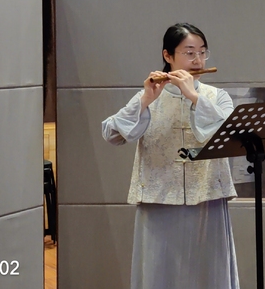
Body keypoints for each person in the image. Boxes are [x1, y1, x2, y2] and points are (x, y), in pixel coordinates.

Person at [102, 23, 240, 289]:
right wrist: (144, 100)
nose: (197, 60)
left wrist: (194, 96)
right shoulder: (149, 95)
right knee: (158, 273)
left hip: (207, 200)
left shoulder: (217, 97)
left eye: (202, 52)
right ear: (168, 56)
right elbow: (112, 134)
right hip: (158, 201)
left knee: (209, 273)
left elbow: (228, 133)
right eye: (189, 52)